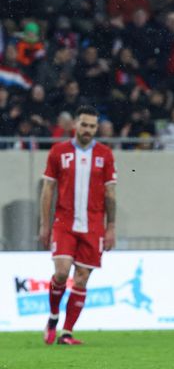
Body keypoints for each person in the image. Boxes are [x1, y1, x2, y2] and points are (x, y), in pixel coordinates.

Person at [40, 106, 117, 345]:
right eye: (84, 125)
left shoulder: (105, 154)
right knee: (62, 273)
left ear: (96, 128)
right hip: (64, 222)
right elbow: (48, 189)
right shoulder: (58, 151)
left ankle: (67, 332)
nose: (87, 130)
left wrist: (111, 226)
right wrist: (45, 224)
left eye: (92, 126)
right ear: (76, 124)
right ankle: (53, 317)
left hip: (93, 225)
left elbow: (110, 193)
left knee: (82, 279)